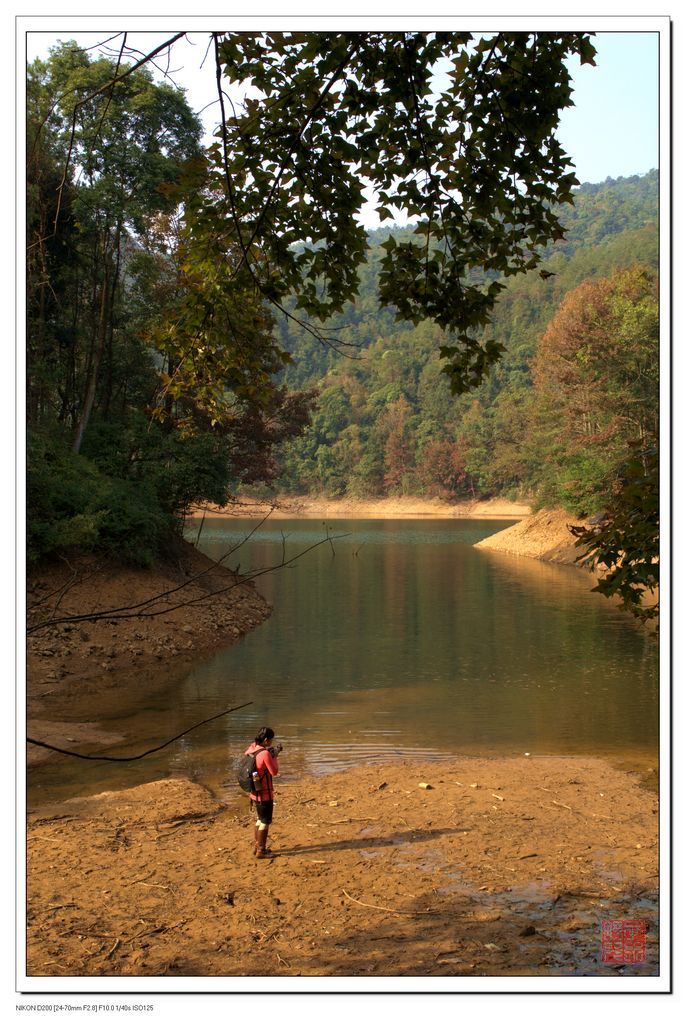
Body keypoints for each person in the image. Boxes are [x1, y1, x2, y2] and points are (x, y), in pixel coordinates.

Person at [244, 726, 282, 858]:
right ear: (266, 739)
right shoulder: (265, 754)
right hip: (264, 793)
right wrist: (275, 756)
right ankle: (261, 850)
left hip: (254, 792)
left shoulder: (252, 748)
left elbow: (252, 759)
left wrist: (269, 753)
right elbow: (274, 772)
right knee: (265, 821)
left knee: (260, 819)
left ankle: (257, 846)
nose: (271, 742)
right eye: (270, 740)